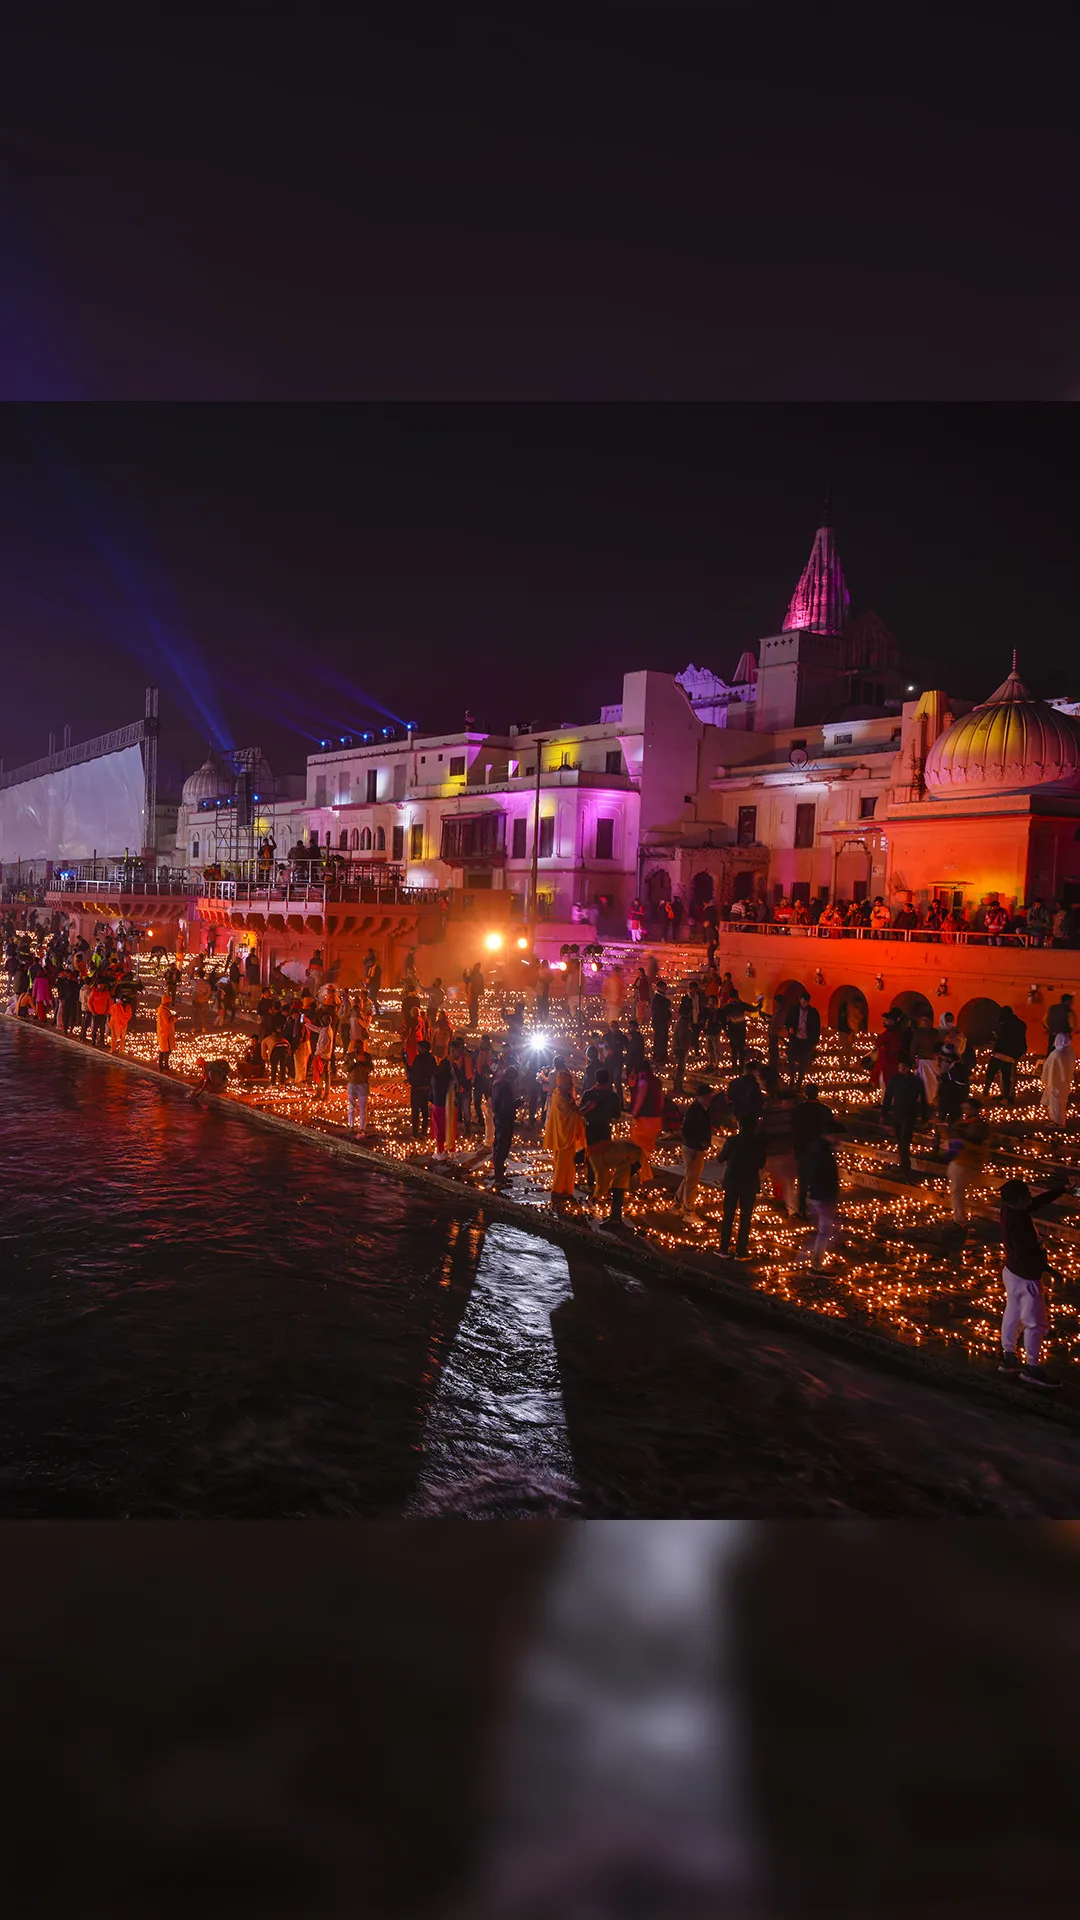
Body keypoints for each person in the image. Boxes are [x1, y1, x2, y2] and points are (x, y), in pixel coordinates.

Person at [998, 1174, 1070, 1387]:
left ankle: (1008, 1356)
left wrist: (1061, 1190)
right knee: (1035, 1323)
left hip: (1012, 1272)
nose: (1031, 1196)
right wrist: (1048, 1270)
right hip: (1026, 1278)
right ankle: (1032, 1368)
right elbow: (1025, 1253)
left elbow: (1037, 1203)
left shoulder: (1010, 1210)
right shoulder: (1019, 1223)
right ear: (1020, 1198)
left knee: (1013, 1313)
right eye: (1028, 1193)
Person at [716, 1121, 766, 1258]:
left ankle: (724, 1248)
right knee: (746, 1217)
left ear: (740, 1125)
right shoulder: (759, 1143)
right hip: (750, 1183)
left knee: (728, 1215)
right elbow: (762, 1164)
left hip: (732, 1181)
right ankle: (741, 1250)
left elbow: (720, 1158)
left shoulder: (732, 1140)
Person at [544, 1069, 586, 1210]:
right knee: (563, 1164)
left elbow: (572, 1111)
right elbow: (569, 1114)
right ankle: (558, 1190)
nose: (571, 1084)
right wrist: (584, 1110)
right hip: (564, 1136)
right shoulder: (559, 1096)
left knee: (568, 1165)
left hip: (567, 1134)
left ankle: (566, 1190)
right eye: (569, 1082)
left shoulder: (563, 1094)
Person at [792, 1085, 836, 1219]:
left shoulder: (799, 1110)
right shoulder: (825, 1110)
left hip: (803, 1148)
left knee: (803, 1180)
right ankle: (821, 1209)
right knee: (819, 1178)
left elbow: (794, 1128)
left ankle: (802, 1209)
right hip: (820, 1149)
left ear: (805, 1094)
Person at [673, 1082, 713, 1221]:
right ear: (700, 1097)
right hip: (693, 1148)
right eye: (708, 1096)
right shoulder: (695, 1111)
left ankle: (678, 1203)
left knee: (689, 1176)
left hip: (694, 1147)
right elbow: (686, 1130)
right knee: (692, 1180)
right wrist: (699, 1142)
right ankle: (689, 1210)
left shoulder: (702, 1109)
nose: (710, 1099)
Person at [580, 1068, 623, 1198]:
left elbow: (581, 1111)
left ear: (595, 1079)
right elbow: (617, 1115)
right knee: (604, 1156)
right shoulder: (613, 1096)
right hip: (605, 1128)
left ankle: (591, 1184)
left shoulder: (588, 1094)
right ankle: (603, 1184)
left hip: (591, 1128)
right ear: (608, 1080)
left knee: (591, 1156)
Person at [882, 1058, 928, 1172]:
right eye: (899, 1068)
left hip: (910, 1113)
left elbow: (923, 1099)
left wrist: (924, 1115)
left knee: (905, 1138)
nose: (900, 1070)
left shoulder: (916, 1081)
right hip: (897, 1112)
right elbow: (888, 1096)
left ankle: (905, 1164)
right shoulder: (895, 1079)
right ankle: (904, 1161)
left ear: (907, 1068)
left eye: (902, 1068)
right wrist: (884, 1112)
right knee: (900, 1138)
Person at [804, 1129, 841, 1269]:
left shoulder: (820, 1150)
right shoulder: (822, 1153)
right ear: (826, 1135)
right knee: (824, 1232)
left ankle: (816, 1261)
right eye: (835, 1135)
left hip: (820, 1196)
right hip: (823, 1197)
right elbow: (820, 1175)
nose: (838, 1139)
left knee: (825, 1231)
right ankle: (816, 1265)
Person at [945, 1116, 988, 1227]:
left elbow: (950, 1154)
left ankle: (959, 1219)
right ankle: (980, 1213)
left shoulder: (961, 1143)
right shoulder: (983, 1146)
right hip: (973, 1169)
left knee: (957, 1194)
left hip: (959, 1168)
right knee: (972, 1193)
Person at [627, 1058, 665, 1177]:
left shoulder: (644, 1081)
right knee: (645, 1148)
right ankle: (636, 1169)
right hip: (655, 1119)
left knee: (638, 1147)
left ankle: (633, 1170)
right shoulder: (656, 1081)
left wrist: (634, 1113)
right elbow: (662, 1099)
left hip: (645, 1119)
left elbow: (640, 1098)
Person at [984, 1005, 1027, 1104]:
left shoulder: (1005, 1025)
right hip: (1016, 1051)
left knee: (1006, 1075)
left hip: (1006, 1052)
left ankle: (1008, 1096)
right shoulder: (1020, 1024)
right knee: (1010, 1074)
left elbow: (1001, 1039)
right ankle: (1006, 1095)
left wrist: (995, 1050)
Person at [783, 990, 820, 1090]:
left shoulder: (813, 1013)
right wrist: (790, 1027)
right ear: (800, 1000)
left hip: (807, 1041)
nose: (805, 1004)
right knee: (791, 1059)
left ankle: (799, 1082)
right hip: (795, 1039)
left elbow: (817, 1028)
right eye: (803, 1002)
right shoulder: (794, 1010)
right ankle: (792, 1079)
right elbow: (787, 1021)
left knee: (803, 1062)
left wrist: (814, 1042)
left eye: (807, 1002)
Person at [491, 1060, 519, 1186]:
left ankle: (500, 1176)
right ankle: (498, 1179)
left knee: (500, 1146)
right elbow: (506, 1106)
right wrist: (517, 1104)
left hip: (498, 1118)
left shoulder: (497, 1084)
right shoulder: (505, 1087)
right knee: (501, 1147)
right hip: (504, 1120)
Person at [1040, 1030, 1075, 1127]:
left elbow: (1049, 1068)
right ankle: (1058, 1121)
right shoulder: (1070, 1051)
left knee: (1056, 1103)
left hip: (1055, 1081)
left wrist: (1046, 1079)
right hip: (1065, 1081)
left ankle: (1058, 1123)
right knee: (1061, 1101)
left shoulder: (1056, 1054)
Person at [430, 1051, 454, 1160]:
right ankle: (451, 1150)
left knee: (439, 1128)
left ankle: (440, 1151)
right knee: (450, 1128)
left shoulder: (437, 1076)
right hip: (451, 1105)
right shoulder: (451, 1078)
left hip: (438, 1104)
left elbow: (433, 1090)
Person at [345, 1043, 372, 1135]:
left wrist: (363, 1063)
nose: (357, 1050)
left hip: (363, 1084)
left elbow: (370, 1068)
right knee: (352, 1106)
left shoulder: (367, 1056)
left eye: (359, 1048)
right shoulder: (349, 1056)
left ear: (362, 1048)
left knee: (362, 1108)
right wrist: (353, 1062)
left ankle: (362, 1129)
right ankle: (351, 1126)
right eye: (355, 1048)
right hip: (352, 1084)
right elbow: (345, 1068)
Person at [670, 995, 695, 1094]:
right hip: (680, 1048)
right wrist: (684, 1047)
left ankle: (678, 1087)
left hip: (681, 1047)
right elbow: (680, 1036)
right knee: (681, 1069)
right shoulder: (682, 1023)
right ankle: (677, 1088)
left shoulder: (683, 1021)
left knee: (681, 1069)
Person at [650, 981, 671, 1065]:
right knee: (660, 1039)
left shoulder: (661, 998)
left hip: (661, 1022)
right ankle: (659, 1056)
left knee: (662, 1039)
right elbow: (661, 1010)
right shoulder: (658, 998)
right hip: (660, 1022)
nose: (666, 989)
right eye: (664, 987)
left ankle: (661, 1055)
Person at [88, 976, 112, 1048]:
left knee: (102, 1029)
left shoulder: (107, 993)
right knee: (94, 1029)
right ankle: (93, 1042)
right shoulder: (94, 992)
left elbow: (109, 1004)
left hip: (103, 1014)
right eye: (100, 984)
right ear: (97, 985)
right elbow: (89, 1002)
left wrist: (106, 1012)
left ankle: (101, 1042)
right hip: (95, 1014)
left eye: (103, 984)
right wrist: (93, 1012)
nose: (101, 986)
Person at [155, 993, 176, 1072]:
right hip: (164, 1033)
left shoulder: (164, 1009)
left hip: (166, 1032)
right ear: (166, 1003)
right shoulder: (163, 1011)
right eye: (169, 1003)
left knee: (167, 1050)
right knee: (164, 1050)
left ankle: (165, 1065)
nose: (170, 1004)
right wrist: (175, 1017)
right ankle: (161, 1066)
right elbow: (167, 1021)